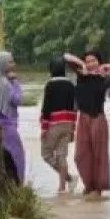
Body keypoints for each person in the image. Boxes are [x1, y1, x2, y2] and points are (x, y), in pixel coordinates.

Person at [64, 50, 110, 199]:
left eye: (93, 60)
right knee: (80, 155)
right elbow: (66, 57)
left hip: (98, 118)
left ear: (99, 61)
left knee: (99, 155)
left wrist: (103, 67)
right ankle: (88, 185)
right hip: (83, 118)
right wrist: (83, 65)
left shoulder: (105, 78)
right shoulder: (81, 75)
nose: (90, 63)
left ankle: (98, 188)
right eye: (88, 60)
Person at [40, 56, 78, 193]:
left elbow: (46, 107)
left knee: (46, 154)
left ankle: (68, 178)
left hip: (54, 123)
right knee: (62, 155)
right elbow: (74, 107)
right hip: (68, 122)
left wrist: (44, 127)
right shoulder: (71, 85)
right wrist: (73, 127)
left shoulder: (50, 85)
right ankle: (63, 187)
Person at [0, 51, 24, 184]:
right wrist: (15, 82)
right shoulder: (5, 83)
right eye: (10, 62)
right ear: (2, 64)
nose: (13, 64)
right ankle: (18, 185)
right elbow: (17, 99)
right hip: (7, 126)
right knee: (17, 157)